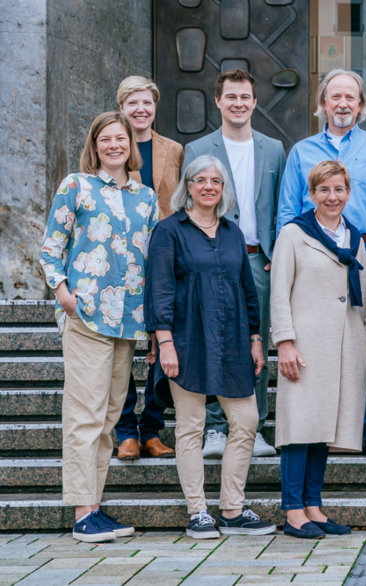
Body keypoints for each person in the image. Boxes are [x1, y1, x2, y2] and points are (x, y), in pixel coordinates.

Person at [39, 111, 157, 542]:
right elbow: (51, 249)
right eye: (105, 139)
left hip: (128, 322)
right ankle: (83, 511)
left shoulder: (145, 197)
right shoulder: (76, 186)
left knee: (108, 419)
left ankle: (95, 506)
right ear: (95, 145)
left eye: (120, 139)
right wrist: (64, 293)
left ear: (131, 145)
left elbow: (151, 261)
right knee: (84, 416)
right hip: (86, 316)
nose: (113, 145)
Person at [145, 155, 276, 539]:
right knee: (190, 427)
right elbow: (159, 290)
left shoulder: (233, 232)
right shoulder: (169, 231)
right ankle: (198, 511)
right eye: (200, 179)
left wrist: (255, 338)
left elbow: (248, 291)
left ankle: (233, 508)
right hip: (186, 340)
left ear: (223, 189)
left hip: (233, 339)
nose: (207, 186)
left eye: (215, 181)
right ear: (187, 185)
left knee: (247, 420)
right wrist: (164, 342)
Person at [277, 68, 366, 457]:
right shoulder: (302, 151)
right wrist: (286, 259)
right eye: (335, 97)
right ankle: (320, 421)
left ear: (361, 106)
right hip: (313, 253)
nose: (343, 103)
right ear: (322, 104)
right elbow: (287, 210)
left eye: (351, 97)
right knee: (320, 341)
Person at [182, 69, 286, 459]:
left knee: (255, 344)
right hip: (211, 260)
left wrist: (278, 257)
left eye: (245, 97)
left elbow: (281, 205)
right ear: (218, 101)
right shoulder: (197, 148)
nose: (238, 103)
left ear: (255, 102)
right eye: (231, 97)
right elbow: (188, 206)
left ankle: (252, 427)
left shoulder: (274, 148)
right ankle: (214, 427)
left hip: (258, 262)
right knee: (212, 340)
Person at [271, 161, 366, 539]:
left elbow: (364, 299)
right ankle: (293, 511)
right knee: (299, 428)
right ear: (312, 194)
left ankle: (313, 505)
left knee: (323, 429)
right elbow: (279, 291)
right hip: (304, 345)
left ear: (348, 193)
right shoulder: (294, 234)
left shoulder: (355, 237)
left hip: (346, 345)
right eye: (324, 190)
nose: (333, 197)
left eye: (339, 190)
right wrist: (284, 341)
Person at [113, 75, 183, 460]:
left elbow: (181, 202)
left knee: (164, 343)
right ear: (121, 106)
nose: (141, 110)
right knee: (124, 348)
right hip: (120, 265)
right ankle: (126, 431)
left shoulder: (173, 149)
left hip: (164, 260)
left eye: (147, 103)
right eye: (132, 103)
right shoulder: (110, 146)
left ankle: (152, 428)